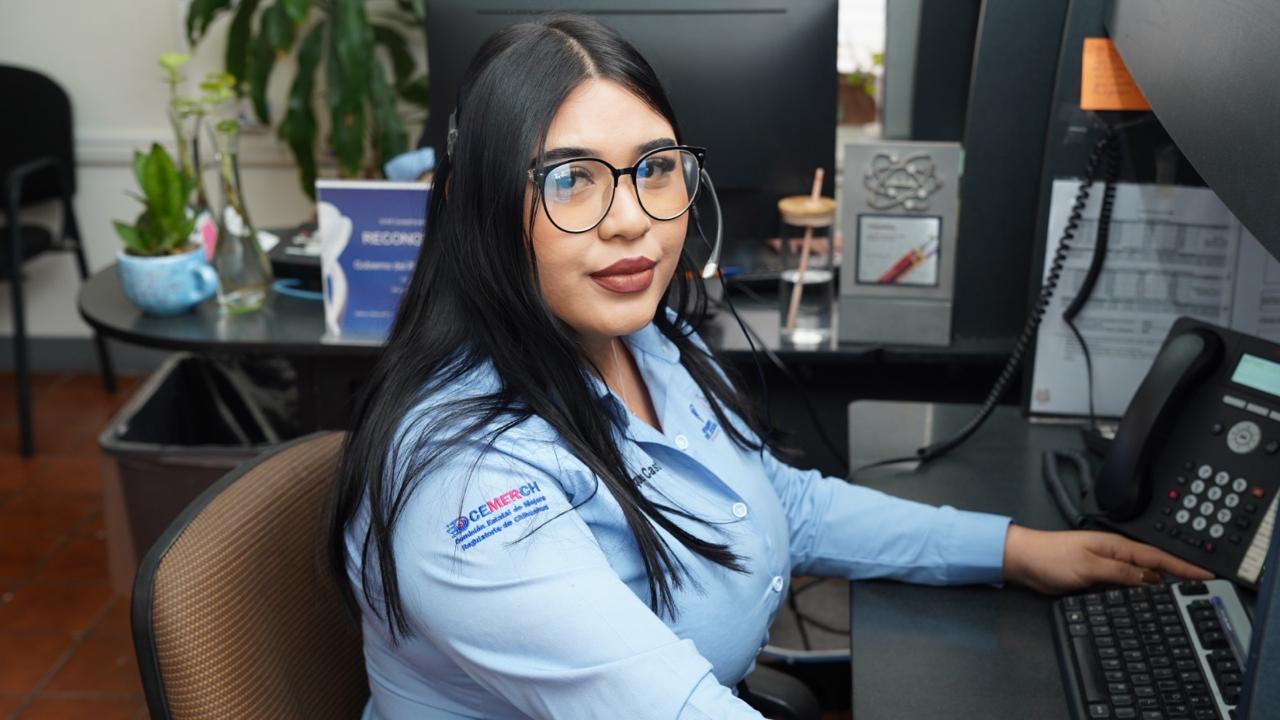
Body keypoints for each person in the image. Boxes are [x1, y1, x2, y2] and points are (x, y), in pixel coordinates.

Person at [328, 15, 1210, 719]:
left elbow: (781, 502)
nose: (632, 219)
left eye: (655, 168)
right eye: (570, 179)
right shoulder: (469, 480)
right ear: (472, 206)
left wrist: (1015, 550)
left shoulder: (645, 341)